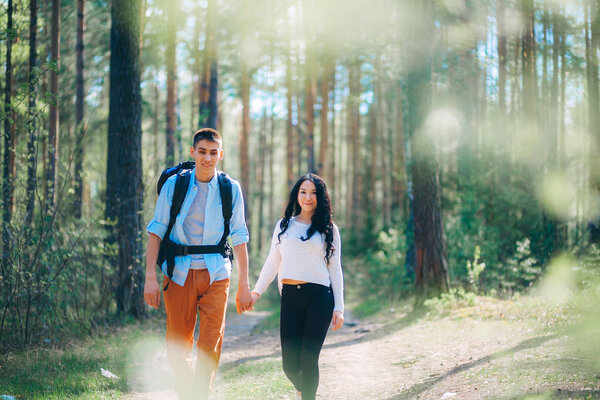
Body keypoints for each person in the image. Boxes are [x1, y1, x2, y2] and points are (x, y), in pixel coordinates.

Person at [144, 128, 253, 400]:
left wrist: (244, 286)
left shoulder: (231, 189)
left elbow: (239, 236)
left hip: (217, 273)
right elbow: (156, 231)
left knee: (210, 343)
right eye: (202, 151)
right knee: (177, 346)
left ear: (220, 155)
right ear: (193, 152)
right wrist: (149, 278)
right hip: (178, 273)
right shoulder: (174, 186)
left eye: (213, 153)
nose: (207, 158)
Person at [251, 173, 344, 400]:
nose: (308, 197)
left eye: (313, 192)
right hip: (291, 297)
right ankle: (305, 389)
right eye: (303, 192)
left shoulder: (329, 228)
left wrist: (339, 307)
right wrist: (256, 291)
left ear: (320, 197)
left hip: (320, 298)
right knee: (290, 365)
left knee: (309, 358)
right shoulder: (284, 226)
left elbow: (335, 269)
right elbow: (273, 261)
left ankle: (307, 397)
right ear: (296, 195)